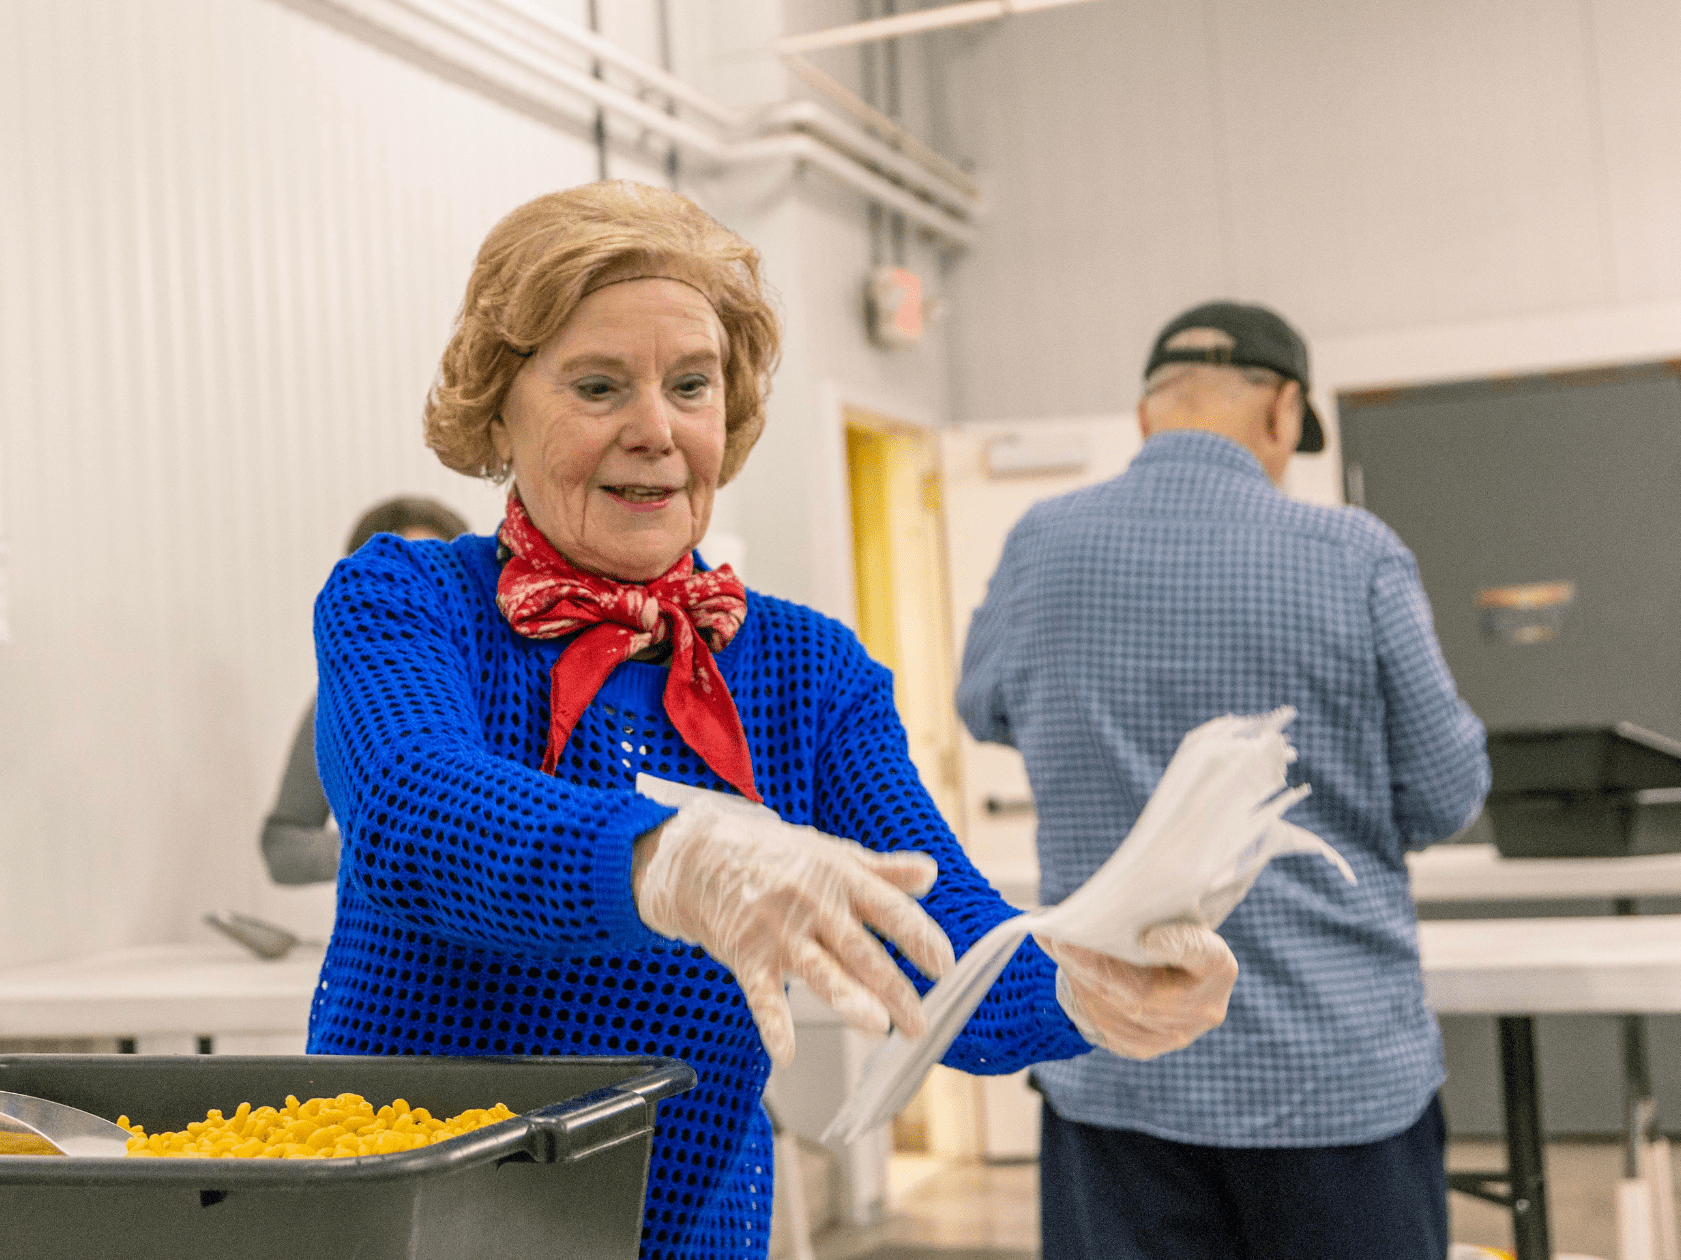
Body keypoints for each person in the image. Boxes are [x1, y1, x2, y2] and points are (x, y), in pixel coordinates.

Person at [307, 182, 1239, 1258]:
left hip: (683, 1237)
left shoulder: (806, 670)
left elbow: (944, 946)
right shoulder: (404, 600)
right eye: (599, 385)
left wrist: (1091, 983)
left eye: (690, 385)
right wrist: (666, 860)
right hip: (410, 1229)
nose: (654, 430)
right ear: (497, 405)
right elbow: (410, 811)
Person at [956, 301, 1490, 1260]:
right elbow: (1447, 794)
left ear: (1146, 414)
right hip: (1331, 1077)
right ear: (1283, 412)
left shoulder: (1042, 544)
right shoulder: (1357, 555)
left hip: (1111, 1066)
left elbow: (984, 709)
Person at [261, 496, 469, 885]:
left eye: (439, 573)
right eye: (398, 578)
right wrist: (384, 850)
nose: (423, 595)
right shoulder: (342, 703)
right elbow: (282, 847)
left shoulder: (522, 684)